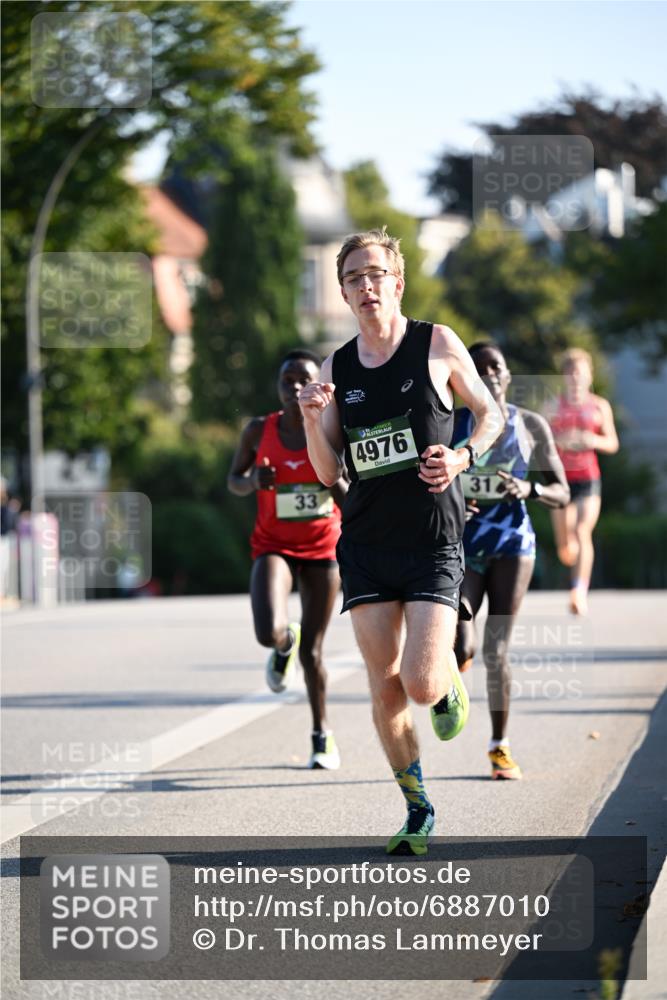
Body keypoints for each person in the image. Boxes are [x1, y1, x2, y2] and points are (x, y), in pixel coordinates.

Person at [297, 228, 503, 855]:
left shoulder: (436, 344)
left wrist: (464, 455)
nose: (365, 286)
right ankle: (417, 806)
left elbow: (490, 413)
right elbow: (329, 471)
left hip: (433, 538)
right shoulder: (337, 367)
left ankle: (445, 679)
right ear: (342, 292)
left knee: (418, 683)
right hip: (365, 542)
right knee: (382, 680)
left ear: (397, 282)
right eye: (353, 278)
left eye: (374, 274)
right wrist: (311, 419)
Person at [453, 342, 570, 780]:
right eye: (477, 369)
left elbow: (562, 492)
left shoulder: (530, 425)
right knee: (461, 642)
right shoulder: (452, 423)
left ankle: (499, 747)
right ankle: (454, 666)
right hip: (463, 545)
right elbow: (428, 478)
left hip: (513, 545)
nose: (487, 375)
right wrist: (451, 500)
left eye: (495, 367)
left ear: (507, 374)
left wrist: (531, 491)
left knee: (495, 647)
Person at [228, 349, 347, 770]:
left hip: (323, 550)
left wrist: (331, 480)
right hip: (274, 544)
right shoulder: (259, 430)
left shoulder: (335, 431)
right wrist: (252, 481)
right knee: (267, 631)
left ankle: (322, 736)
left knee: (313, 654)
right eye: (286, 380)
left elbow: (351, 498)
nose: (294, 387)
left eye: (304, 380)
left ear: (321, 388)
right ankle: (281, 644)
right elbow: (234, 480)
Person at [545, 348, 619, 616]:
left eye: (580, 373)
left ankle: (579, 590)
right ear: (564, 377)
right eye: (571, 373)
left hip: (589, 478)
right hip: (562, 481)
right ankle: (571, 562)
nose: (575, 378)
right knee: (566, 548)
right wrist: (558, 441)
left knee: (582, 531)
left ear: (589, 376)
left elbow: (612, 443)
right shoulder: (552, 407)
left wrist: (592, 440)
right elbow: (538, 444)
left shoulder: (599, 406)